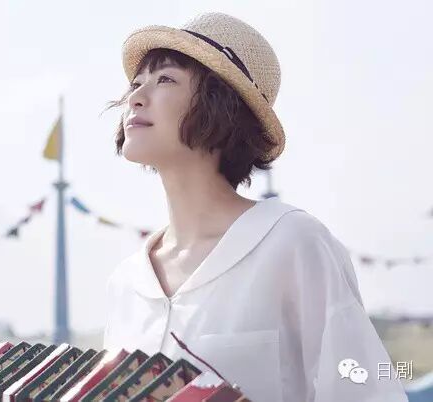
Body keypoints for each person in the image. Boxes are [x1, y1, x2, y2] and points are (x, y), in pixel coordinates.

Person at [101, 11, 409, 402]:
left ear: (220, 107)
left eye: (165, 79)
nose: (135, 98)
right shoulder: (127, 282)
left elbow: (367, 391)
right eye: (136, 83)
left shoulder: (291, 241)